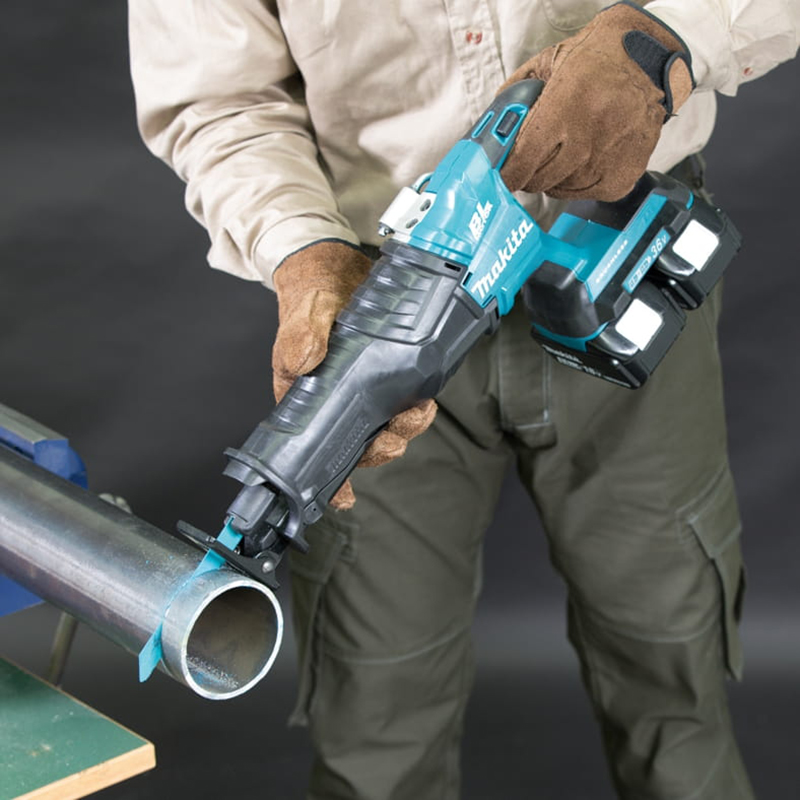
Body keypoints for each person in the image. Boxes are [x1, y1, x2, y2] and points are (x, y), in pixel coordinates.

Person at [128, 2, 798, 797]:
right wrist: (305, 253)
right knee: (375, 711)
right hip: (376, 294)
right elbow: (216, 98)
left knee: (673, 664)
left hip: (620, 247)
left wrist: (663, 44)